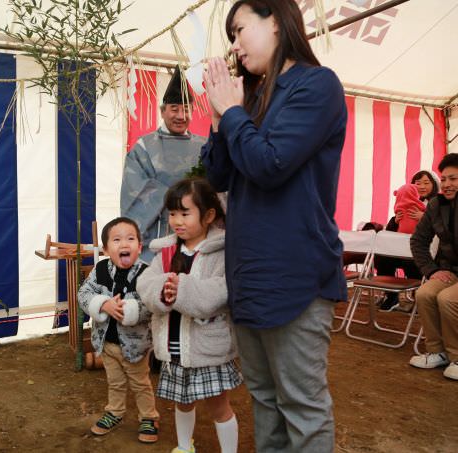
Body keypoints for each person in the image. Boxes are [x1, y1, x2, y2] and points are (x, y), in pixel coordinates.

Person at [201, 1, 347, 451]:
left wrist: (232, 114)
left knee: (302, 405)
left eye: (239, 30)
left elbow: (270, 165)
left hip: (295, 276)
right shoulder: (254, 97)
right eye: (230, 36)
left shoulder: (316, 85)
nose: (235, 45)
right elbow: (218, 177)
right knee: (264, 399)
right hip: (249, 275)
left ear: (276, 22)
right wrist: (220, 121)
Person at [137, 178, 242, 453]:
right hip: (174, 349)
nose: (177, 221)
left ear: (208, 215)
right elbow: (145, 283)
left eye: (185, 213)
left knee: (219, 406)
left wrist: (182, 291)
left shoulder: (221, 252)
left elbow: (220, 291)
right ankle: (185, 447)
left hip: (207, 349)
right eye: (172, 214)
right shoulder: (167, 250)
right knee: (182, 402)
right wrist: (162, 292)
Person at [77, 217, 160, 442]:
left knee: (140, 383)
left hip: (135, 347)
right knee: (115, 382)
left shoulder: (147, 273)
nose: (124, 244)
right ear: (105, 249)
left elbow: (153, 305)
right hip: (107, 344)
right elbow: (83, 294)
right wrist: (103, 304)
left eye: (131, 239)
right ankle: (115, 412)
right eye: (117, 240)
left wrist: (130, 310)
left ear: (139, 247)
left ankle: (149, 417)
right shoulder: (101, 269)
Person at [121, 67, 207, 262]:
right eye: (174, 109)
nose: (180, 115)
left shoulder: (203, 146)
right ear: (162, 111)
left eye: (186, 109)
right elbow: (133, 191)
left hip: (197, 241)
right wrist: (179, 198)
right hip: (156, 241)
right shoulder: (144, 147)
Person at [409, 153, 458, 381]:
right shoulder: (436, 205)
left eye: (454, 179)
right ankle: (437, 351)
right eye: (444, 179)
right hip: (448, 270)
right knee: (425, 293)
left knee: (447, 299)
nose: (447, 184)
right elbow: (418, 241)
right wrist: (432, 270)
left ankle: (456, 357)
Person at [377, 170, 439, 311]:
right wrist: (395, 221)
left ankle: (420, 298)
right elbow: (392, 232)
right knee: (382, 257)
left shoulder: (440, 203)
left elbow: (444, 229)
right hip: (403, 249)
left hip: (426, 252)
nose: (421, 186)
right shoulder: (405, 200)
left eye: (426, 183)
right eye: (417, 183)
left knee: (414, 262)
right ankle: (392, 296)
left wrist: (424, 218)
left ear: (434, 184)